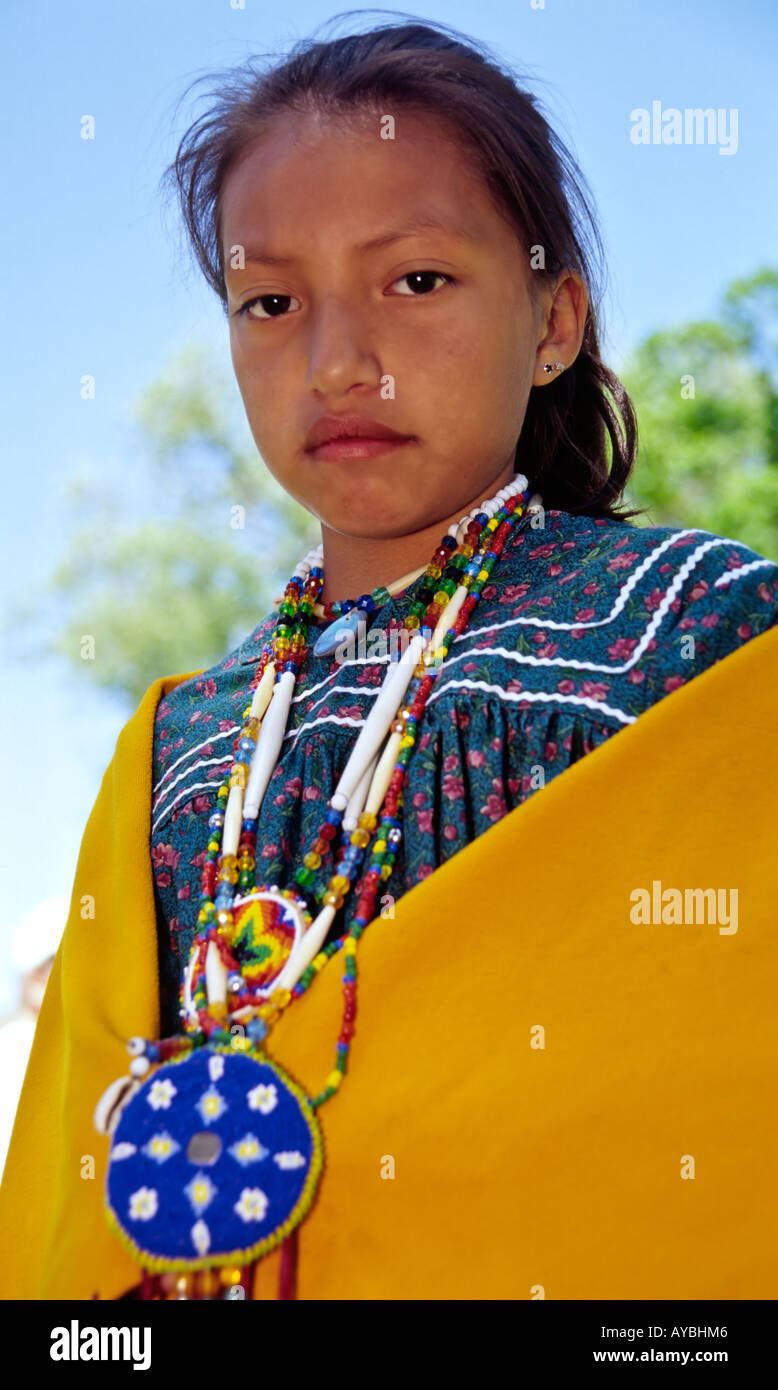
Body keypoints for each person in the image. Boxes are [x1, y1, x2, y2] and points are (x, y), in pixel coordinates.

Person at [2, 16, 778, 1302]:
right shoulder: (182, 749)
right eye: (270, 300)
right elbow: (63, 1220)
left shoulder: (698, 643)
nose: (337, 361)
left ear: (553, 321)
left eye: (415, 280)